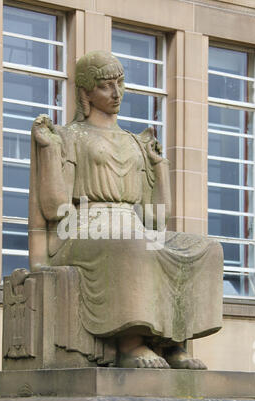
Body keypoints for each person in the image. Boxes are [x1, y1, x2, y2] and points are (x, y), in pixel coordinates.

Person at [29, 50, 223, 369]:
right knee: (134, 247)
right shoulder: (68, 136)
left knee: (205, 248)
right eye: (106, 86)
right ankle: (131, 343)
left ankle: (171, 342)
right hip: (80, 231)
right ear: (86, 92)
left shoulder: (134, 142)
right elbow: (55, 209)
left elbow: (156, 216)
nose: (116, 93)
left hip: (132, 227)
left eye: (120, 84)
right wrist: (50, 152)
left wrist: (160, 167)